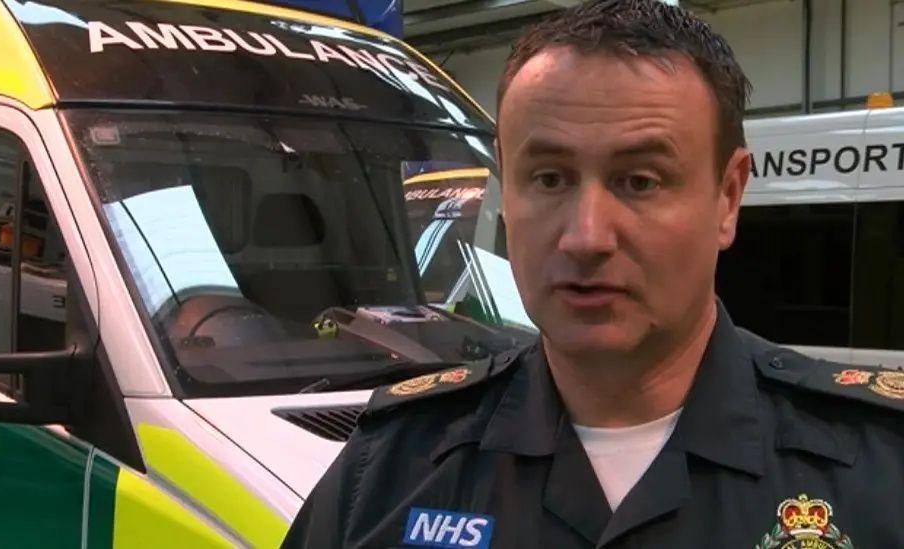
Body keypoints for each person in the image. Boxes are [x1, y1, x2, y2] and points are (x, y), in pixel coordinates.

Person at [282, 1, 904, 547]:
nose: (585, 237)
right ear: (506, 184)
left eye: (640, 181)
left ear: (727, 197)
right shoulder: (389, 470)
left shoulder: (876, 472)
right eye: (549, 179)